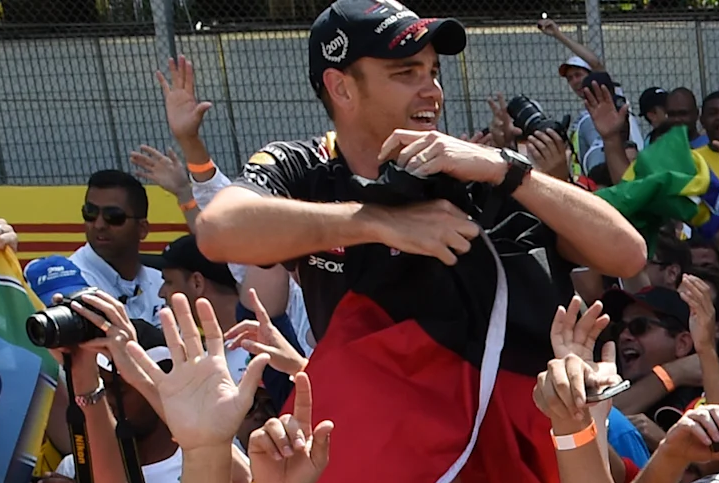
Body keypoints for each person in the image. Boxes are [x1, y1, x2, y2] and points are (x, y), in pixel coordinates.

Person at [193, 0, 645, 368]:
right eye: (406, 73)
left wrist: (506, 167)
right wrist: (378, 223)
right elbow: (218, 230)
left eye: (433, 72)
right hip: (379, 439)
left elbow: (626, 253)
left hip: (493, 447)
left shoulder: (471, 170)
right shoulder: (304, 165)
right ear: (342, 88)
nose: (432, 90)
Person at [64, 165, 169, 324]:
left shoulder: (161, 283)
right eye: (90, 213)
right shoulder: (72, 283)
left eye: (113, 216)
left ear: (142, 229)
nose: (99, 225)